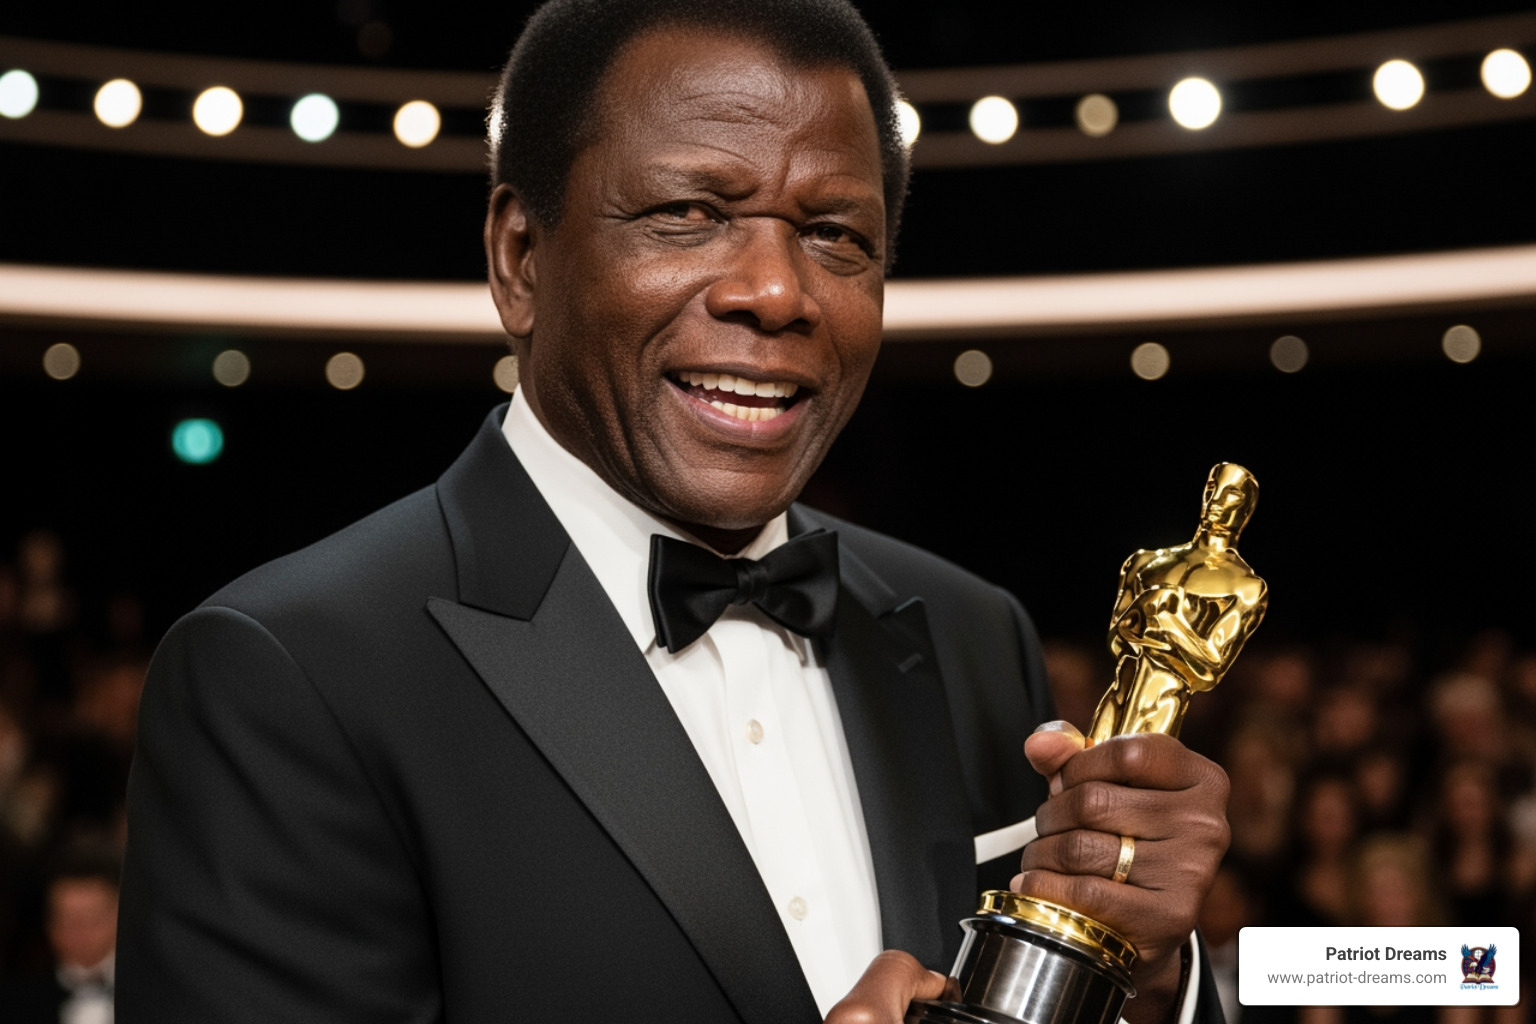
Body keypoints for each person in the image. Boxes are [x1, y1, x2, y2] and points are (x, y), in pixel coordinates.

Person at [117, 2, 1230, 1021]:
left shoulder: (970, 630)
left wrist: (1149, 973)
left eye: (836, 234)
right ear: (520, 259)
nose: (779, 291)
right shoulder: (290, 673)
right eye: (692, 212)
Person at [0, 855, 118, 1024]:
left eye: (91, 919)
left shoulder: (152, 992)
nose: (78, 931)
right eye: (65, 919)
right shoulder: (15, 1004)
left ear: (120, 918)